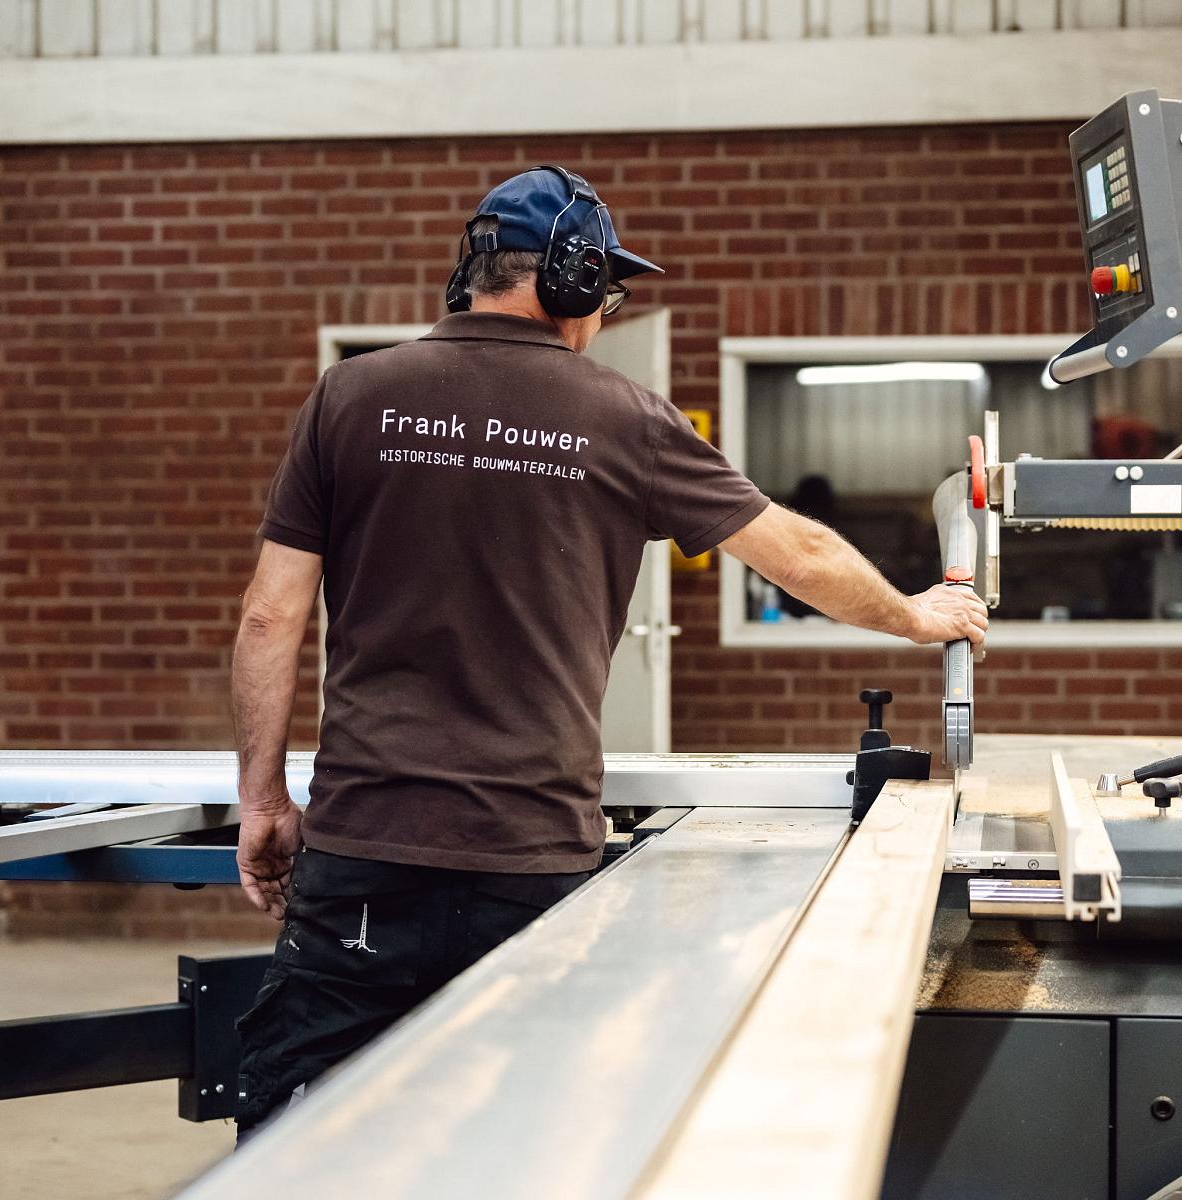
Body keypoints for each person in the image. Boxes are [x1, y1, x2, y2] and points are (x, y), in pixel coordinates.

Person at [230, 165, 988, 1138]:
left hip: (363, 855)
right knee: (525, 1138)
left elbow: (267, 618)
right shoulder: (625, 418)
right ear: (572, 282)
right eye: (608, 290)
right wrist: (919, 616)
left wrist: (262, 799)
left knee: (304, 1133)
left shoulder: (350, 398)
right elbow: (793, 551)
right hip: (531, 860)